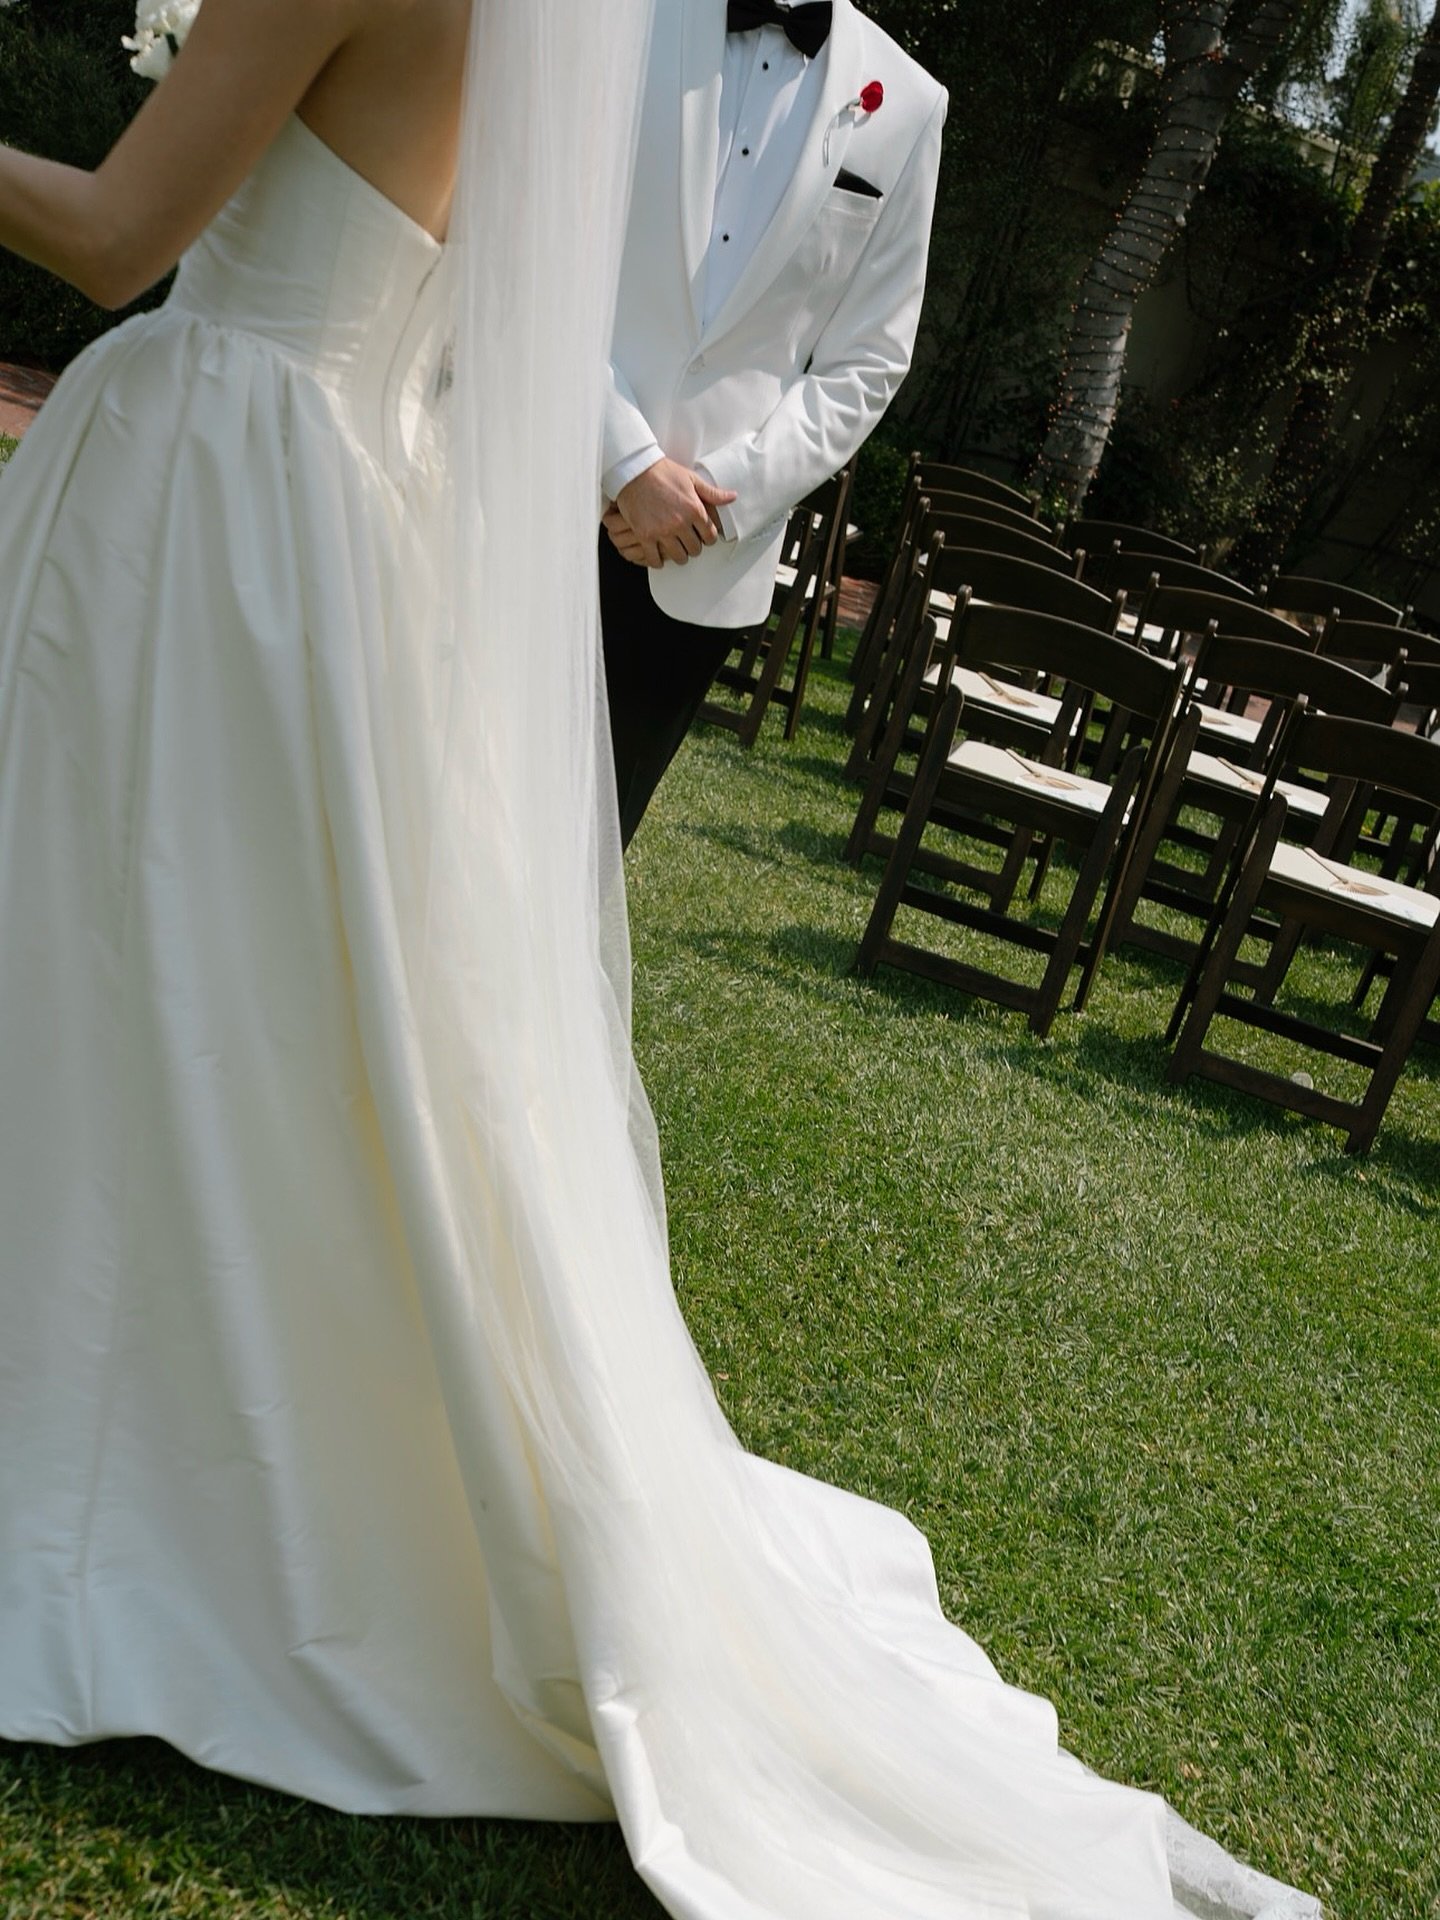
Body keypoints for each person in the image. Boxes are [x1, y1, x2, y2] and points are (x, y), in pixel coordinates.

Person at [0, 3, 1320, 1916]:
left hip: (259, 470)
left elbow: (126, 238)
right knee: (235, 977)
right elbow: (528, 265)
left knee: (209, 951)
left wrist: (712, 478)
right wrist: (612, 457)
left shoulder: (836, 90)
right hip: (361, 489)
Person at [600, 0, 946, 845]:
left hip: (698, 554)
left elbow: (871, 359)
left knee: (587, 850)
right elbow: (538, 246)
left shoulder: (909, 101)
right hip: (536, 479)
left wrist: (719, 498)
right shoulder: (626, 18)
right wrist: (624, 457)